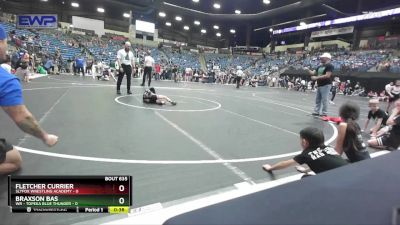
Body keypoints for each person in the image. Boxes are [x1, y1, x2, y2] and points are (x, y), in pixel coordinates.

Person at [0, 25, 58, 174]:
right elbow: (22, 117)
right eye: (6, 42)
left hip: (23, 70)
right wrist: (45, 136)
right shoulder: (5, 80)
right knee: (14, 159)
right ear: (1, 43)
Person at [262, 127, 348, 175]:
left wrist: (270, 168)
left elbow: (285, 164)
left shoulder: (306, 155)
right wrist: (305, 170)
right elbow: (321, 162)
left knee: (305, 179)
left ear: (304, 142)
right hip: (349, 170)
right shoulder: (328, 148)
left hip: (338, 180)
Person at [305, 53, 334, 117]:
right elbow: (313, 73)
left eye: (322, 58)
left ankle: (324, 113)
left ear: (327, 58)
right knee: (318, 99)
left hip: (326, 84)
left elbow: (327, 75)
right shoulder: (319, 66)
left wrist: (316, 78)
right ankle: (316, 112)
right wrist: (307, 69)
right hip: (320, 84)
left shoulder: (330, 66)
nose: (321, 59)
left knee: (324, 99)